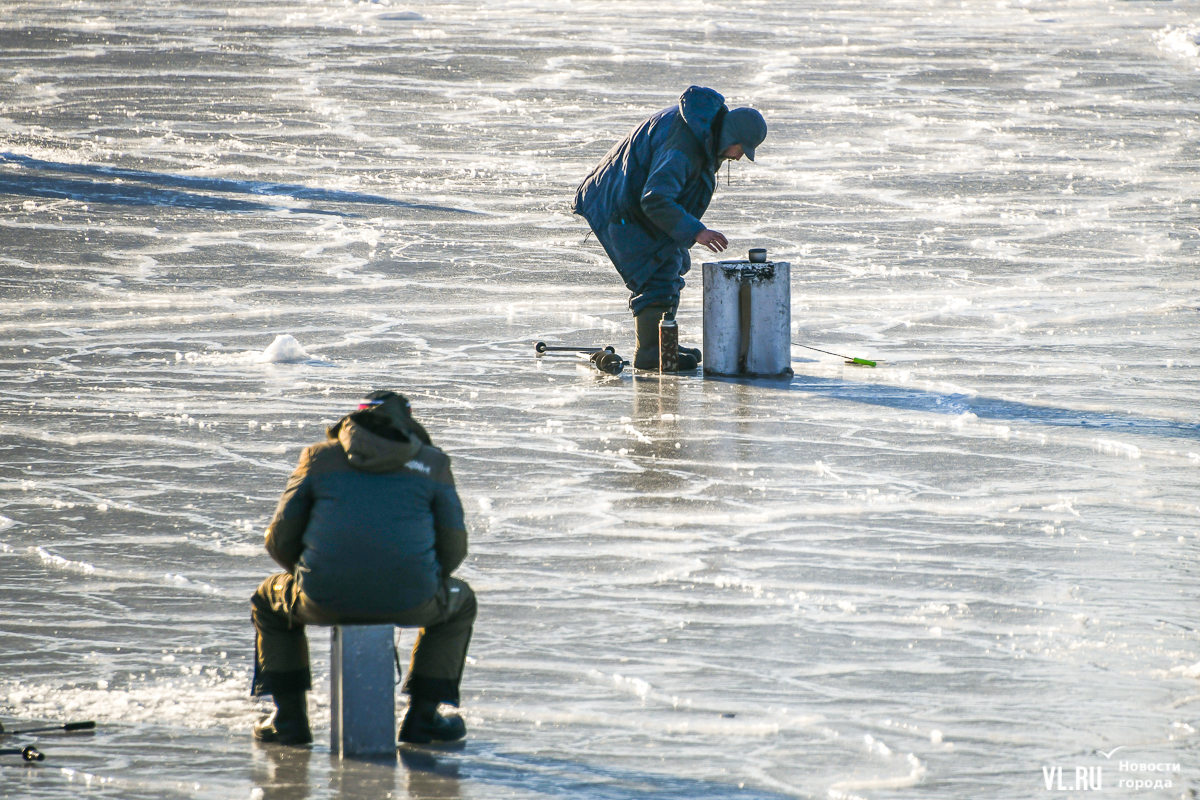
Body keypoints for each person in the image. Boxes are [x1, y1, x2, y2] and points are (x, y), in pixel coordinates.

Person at [249, 390, 476, 746]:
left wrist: (315, 573)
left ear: (353, 420)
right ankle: (423, 718)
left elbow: (279, 539)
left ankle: (289, 719)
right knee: (461, 602)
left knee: (269, 600)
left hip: (321, 595)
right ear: (409, 422)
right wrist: (422, 580)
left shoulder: (318, 457)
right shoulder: (432, 463)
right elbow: (455, 546)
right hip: (413, 596)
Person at [572, 86, 767, 370]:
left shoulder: (702, 133)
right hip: (619, 202)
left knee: (672, 259)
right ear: (730, 137)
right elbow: (656, 198)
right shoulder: (684, 146)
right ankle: (651, 351)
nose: (738, 158)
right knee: (657, 269)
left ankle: (664, 341)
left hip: (631, 195)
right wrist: (696, 231)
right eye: (741, 150)